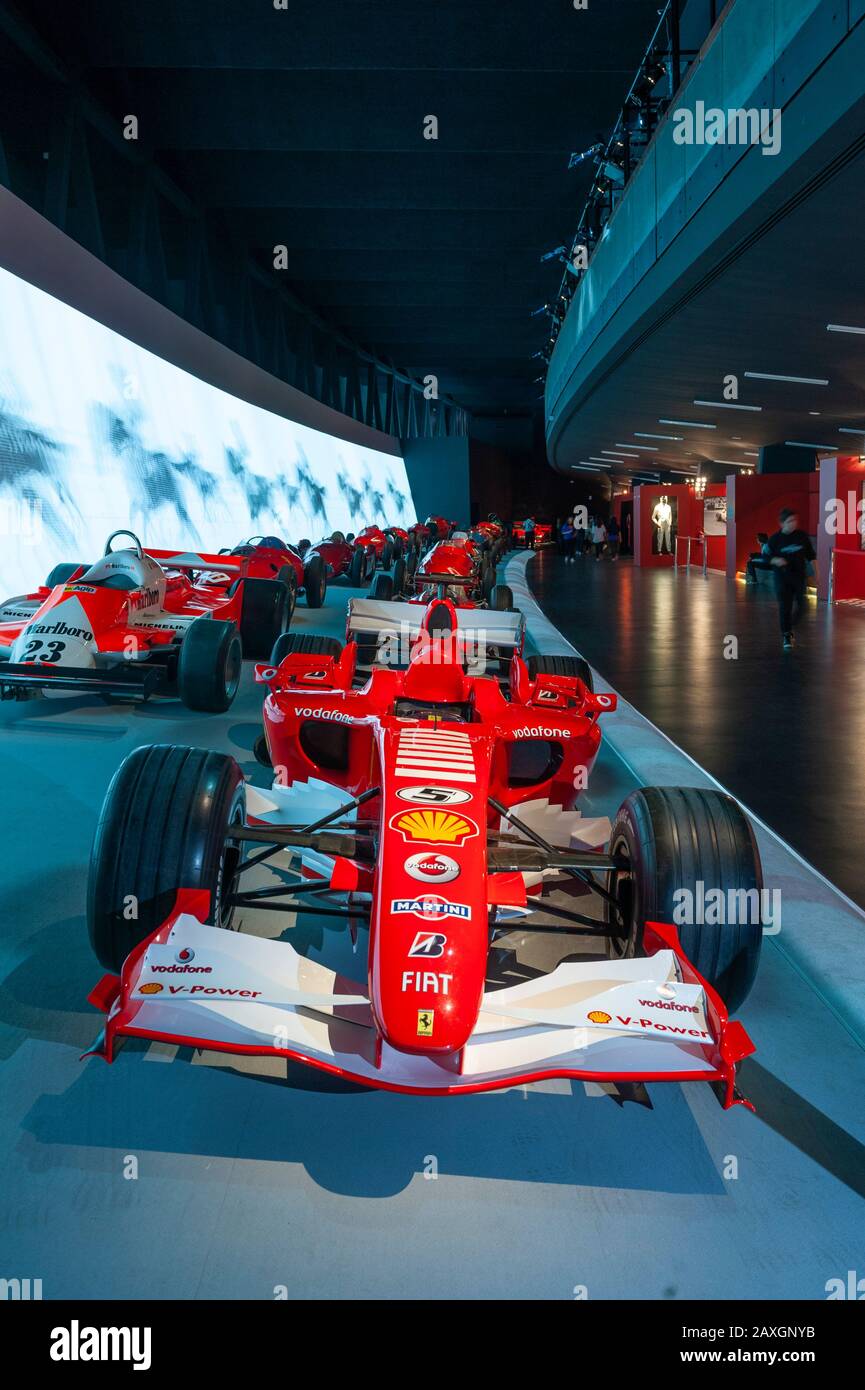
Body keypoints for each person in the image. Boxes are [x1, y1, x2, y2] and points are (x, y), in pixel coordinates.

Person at [764, 508, 817, 650]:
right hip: (782, 578)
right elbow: (765, 556)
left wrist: (817, 575)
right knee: (785, 607)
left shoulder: (802, 536)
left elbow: (811, 556)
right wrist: (775, 560)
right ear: (782, 524)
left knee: (803, 606)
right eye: (789, 521)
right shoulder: (775, 539)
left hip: (799, 577)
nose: (793, 524)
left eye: (794, 520)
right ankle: (786, 635)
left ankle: (790, 624)